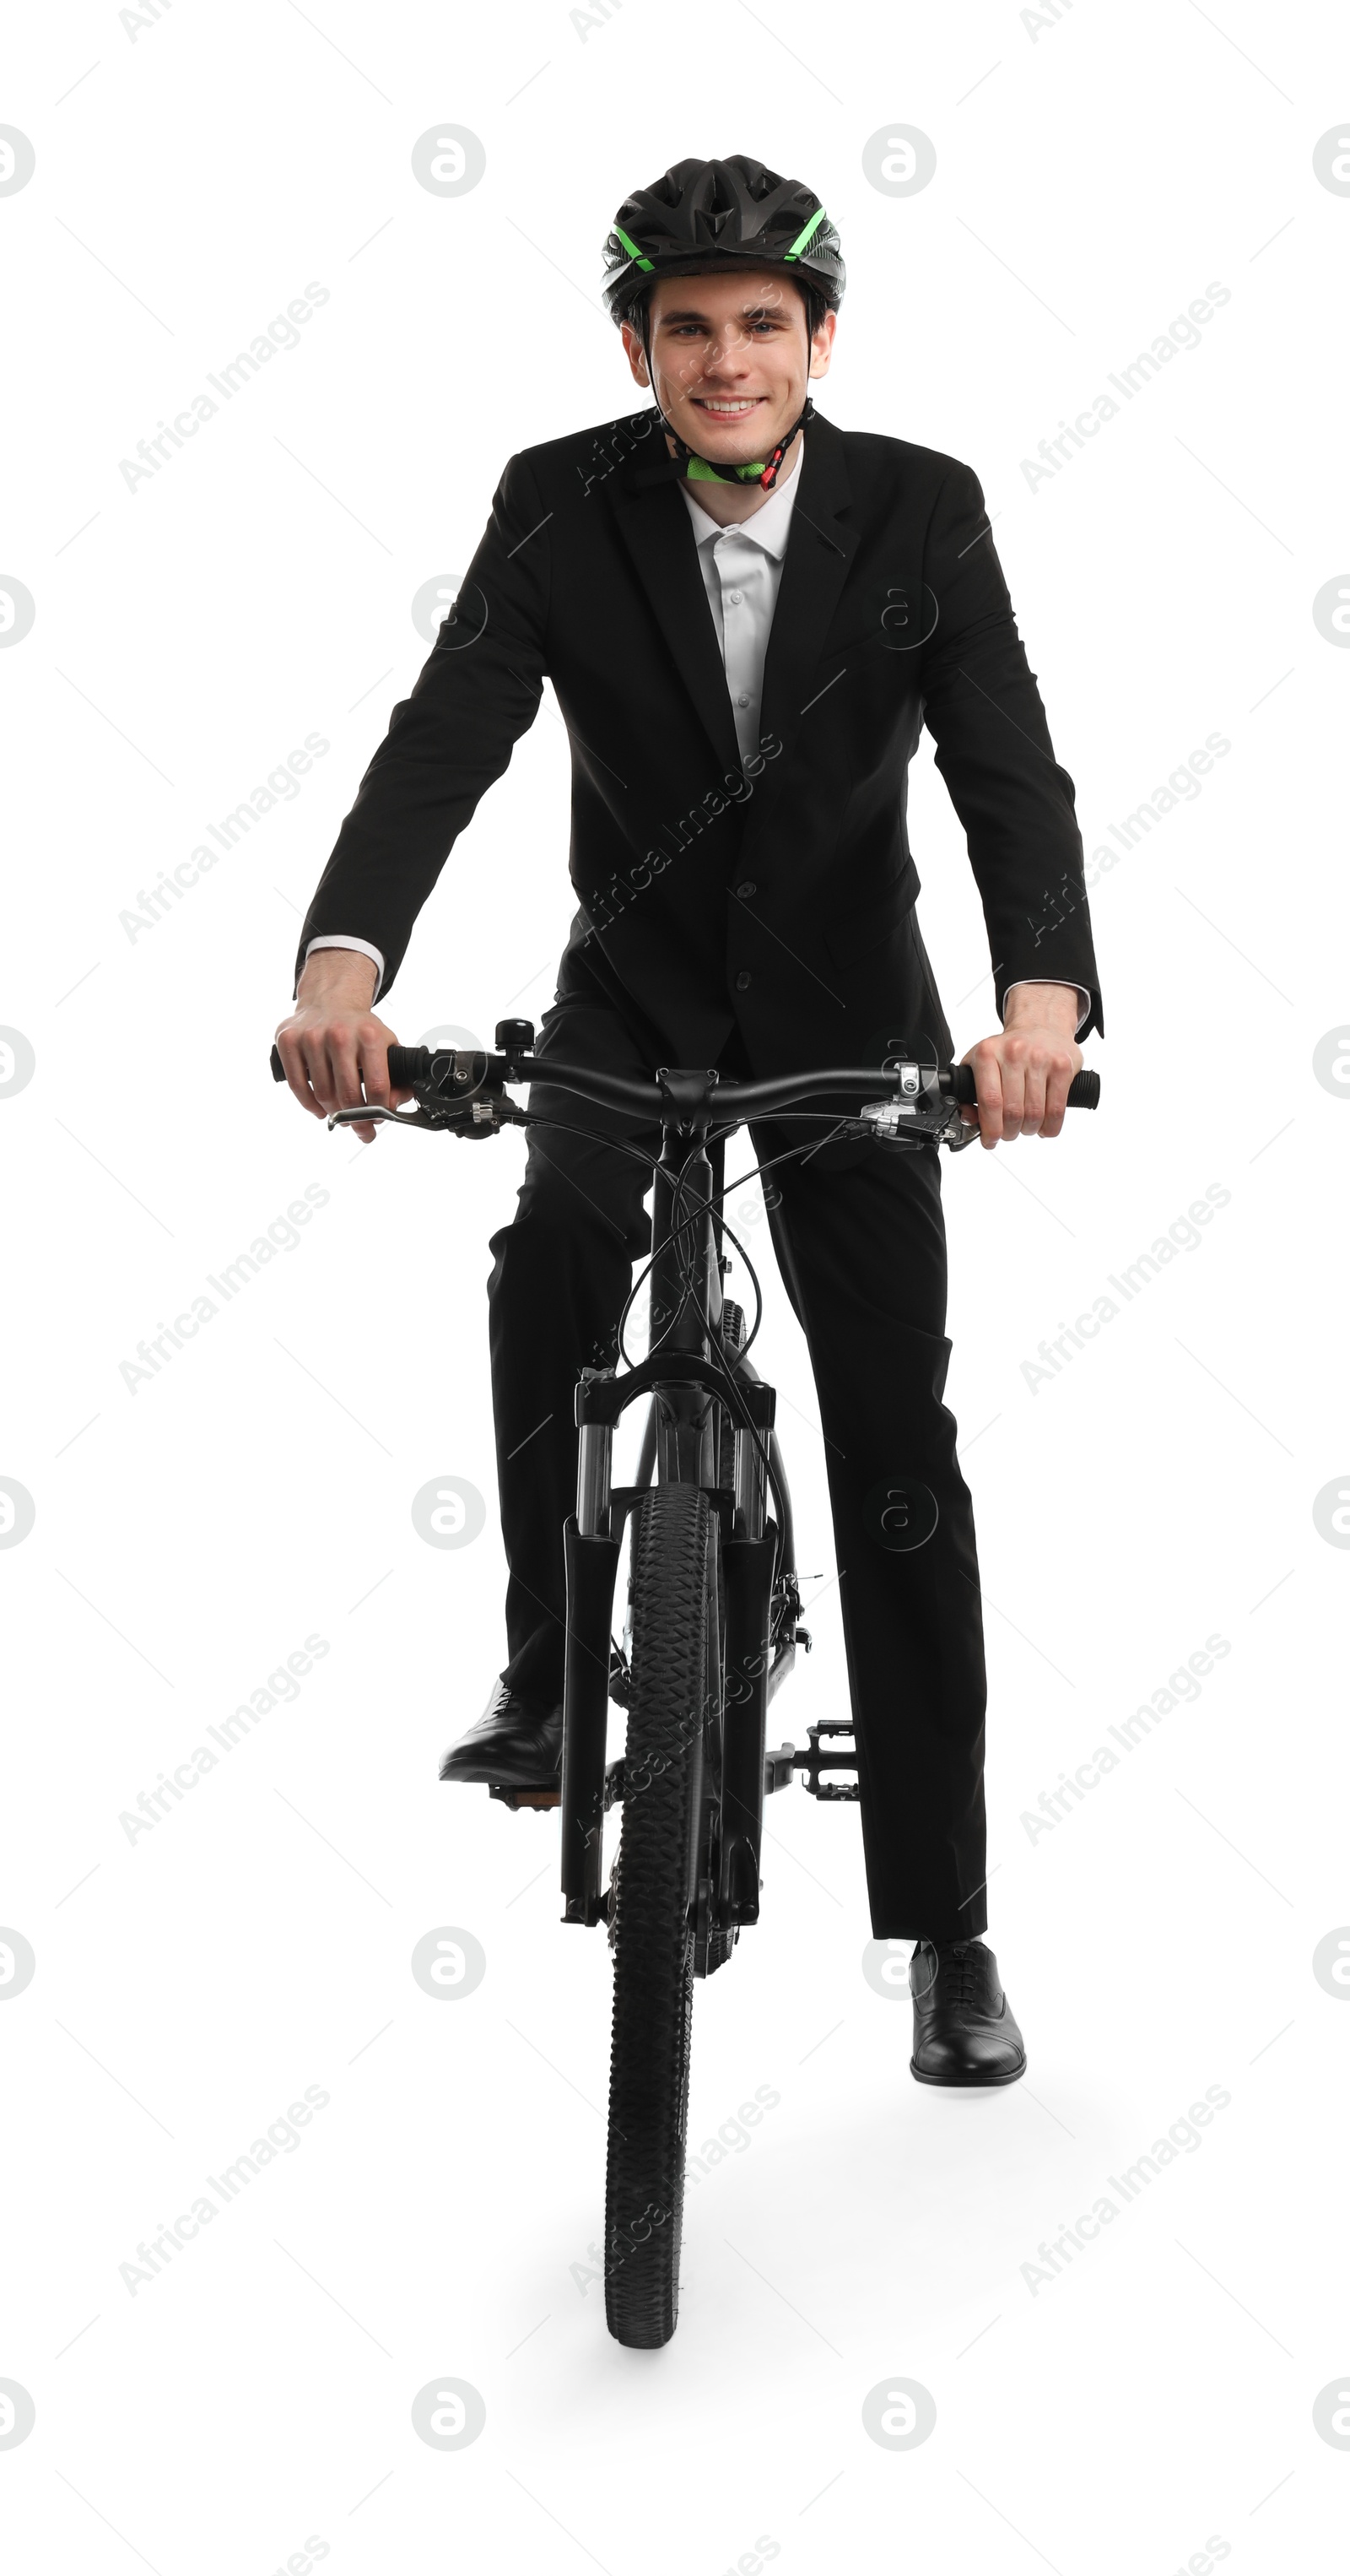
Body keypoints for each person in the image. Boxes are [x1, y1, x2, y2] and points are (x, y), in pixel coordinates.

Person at [275, 156, 1102, 2087]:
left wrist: (1034, 1014)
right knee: (550, 1249)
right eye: (684, 328)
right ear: (634, 346)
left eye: (758, 326)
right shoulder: (558, 499)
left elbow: (1005, 765)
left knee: (897, 1438)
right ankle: (560, 1670)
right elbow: (445, 732)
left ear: (818, 340)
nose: (723, 362)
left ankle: (943, 1924)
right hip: (628, 1002)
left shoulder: (921, 505)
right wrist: (341, 967)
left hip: (849, 1025)